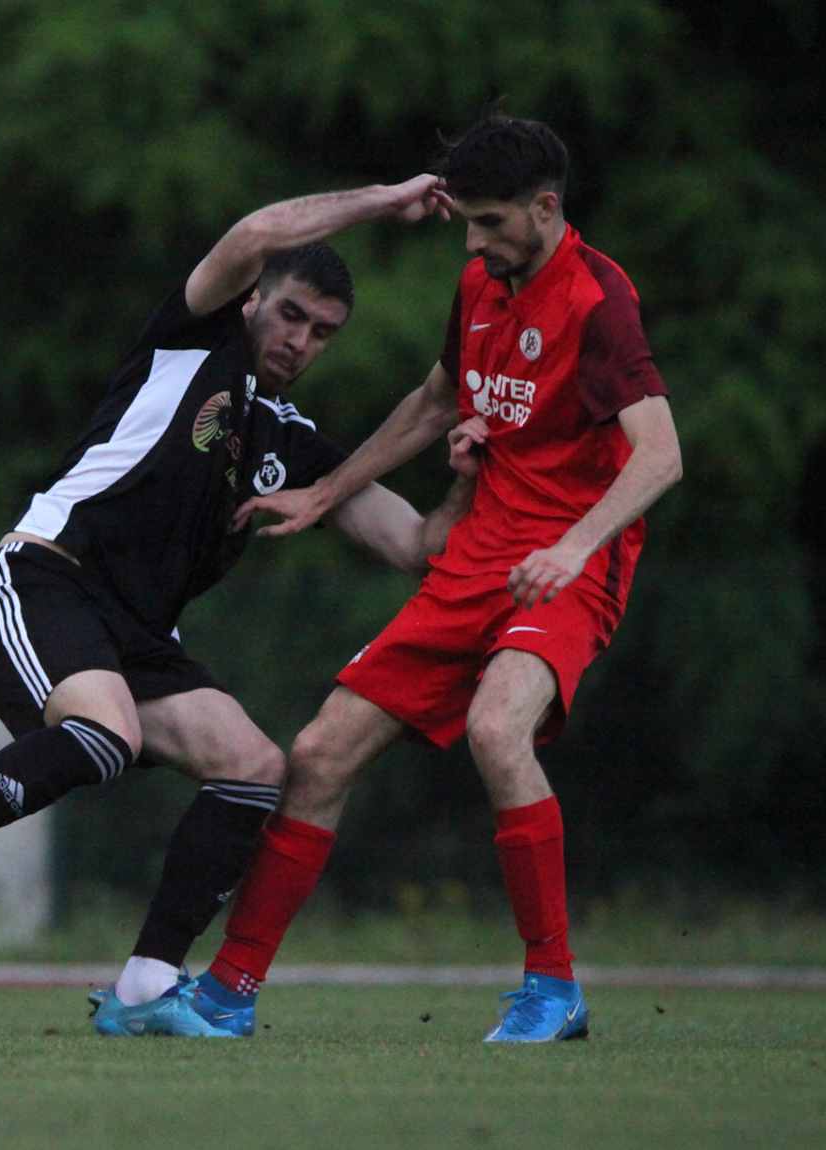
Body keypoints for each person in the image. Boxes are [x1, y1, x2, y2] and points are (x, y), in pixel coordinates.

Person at [0, 175, 475, 1037]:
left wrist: (468, 475)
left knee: (254, 764)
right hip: (45, 578)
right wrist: (386, 200)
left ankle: (142, 990)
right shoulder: (193, 334)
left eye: (322, 332)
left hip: (138, 636)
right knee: (109, 733)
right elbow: (256, 229)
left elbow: (418, 545)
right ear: (255, 300)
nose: (300, 340)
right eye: (290, 315)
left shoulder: (291, 443)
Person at [188, 116, 684, 1042]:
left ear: (545, 209)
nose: (472, 242)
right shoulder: (480, 285)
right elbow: (433, 401)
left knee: (498, 730)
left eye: (490, 222)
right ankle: (226, 993)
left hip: (563, 567)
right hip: (476, 558)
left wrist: (574, 549)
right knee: (318, 754)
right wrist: (325, 493)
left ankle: (553, 990)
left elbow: (661, 456)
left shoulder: (598, 299)